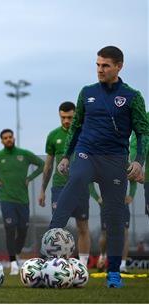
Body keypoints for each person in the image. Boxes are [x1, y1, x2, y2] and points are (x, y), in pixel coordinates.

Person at [49, 46, 148, 288]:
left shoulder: (133, 96)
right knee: (76, 180)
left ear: (119, 66)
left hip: (115, 160)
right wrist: (65, 156)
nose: (100, 69)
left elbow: (142, 132)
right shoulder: (87, 93)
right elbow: (76, 127)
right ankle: (48, 253)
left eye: (105, 65)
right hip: (86, 153)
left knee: (114, 219)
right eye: (97, 64)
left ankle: (113, 273)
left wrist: (138, 161)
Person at [0, 129, 44, 275]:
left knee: (22, 229)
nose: (8, 139)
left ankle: (17, 254)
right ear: (1, 141)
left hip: (23, 199)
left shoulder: (24, 154)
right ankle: (13, 262)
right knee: (10, 228)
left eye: (10, 137)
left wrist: (30, 177)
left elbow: (41, 165)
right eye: (5, 138)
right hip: (6, 199)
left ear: (13, 138)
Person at [38, 101, 91, 266]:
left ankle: (82, 265)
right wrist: (42, 190)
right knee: (57, 226)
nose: (66, 120)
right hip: (59, 186)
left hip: (81, 186)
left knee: (82, 226)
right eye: (63, 117)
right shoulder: (53, 136)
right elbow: (48, 165)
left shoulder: (86, 133)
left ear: (75, 115)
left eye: (69, 117)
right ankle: (52, 262)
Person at [90, 180, 136, 273]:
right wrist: (97, 197)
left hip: (122, 204)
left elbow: (133, 178)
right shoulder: (101, 165)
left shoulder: (125, 164)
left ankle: (122, 265)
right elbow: (89, 181)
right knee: (105, 233)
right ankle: (102, 257)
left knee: (124, 233)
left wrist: (131, 195)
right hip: (106, 203)